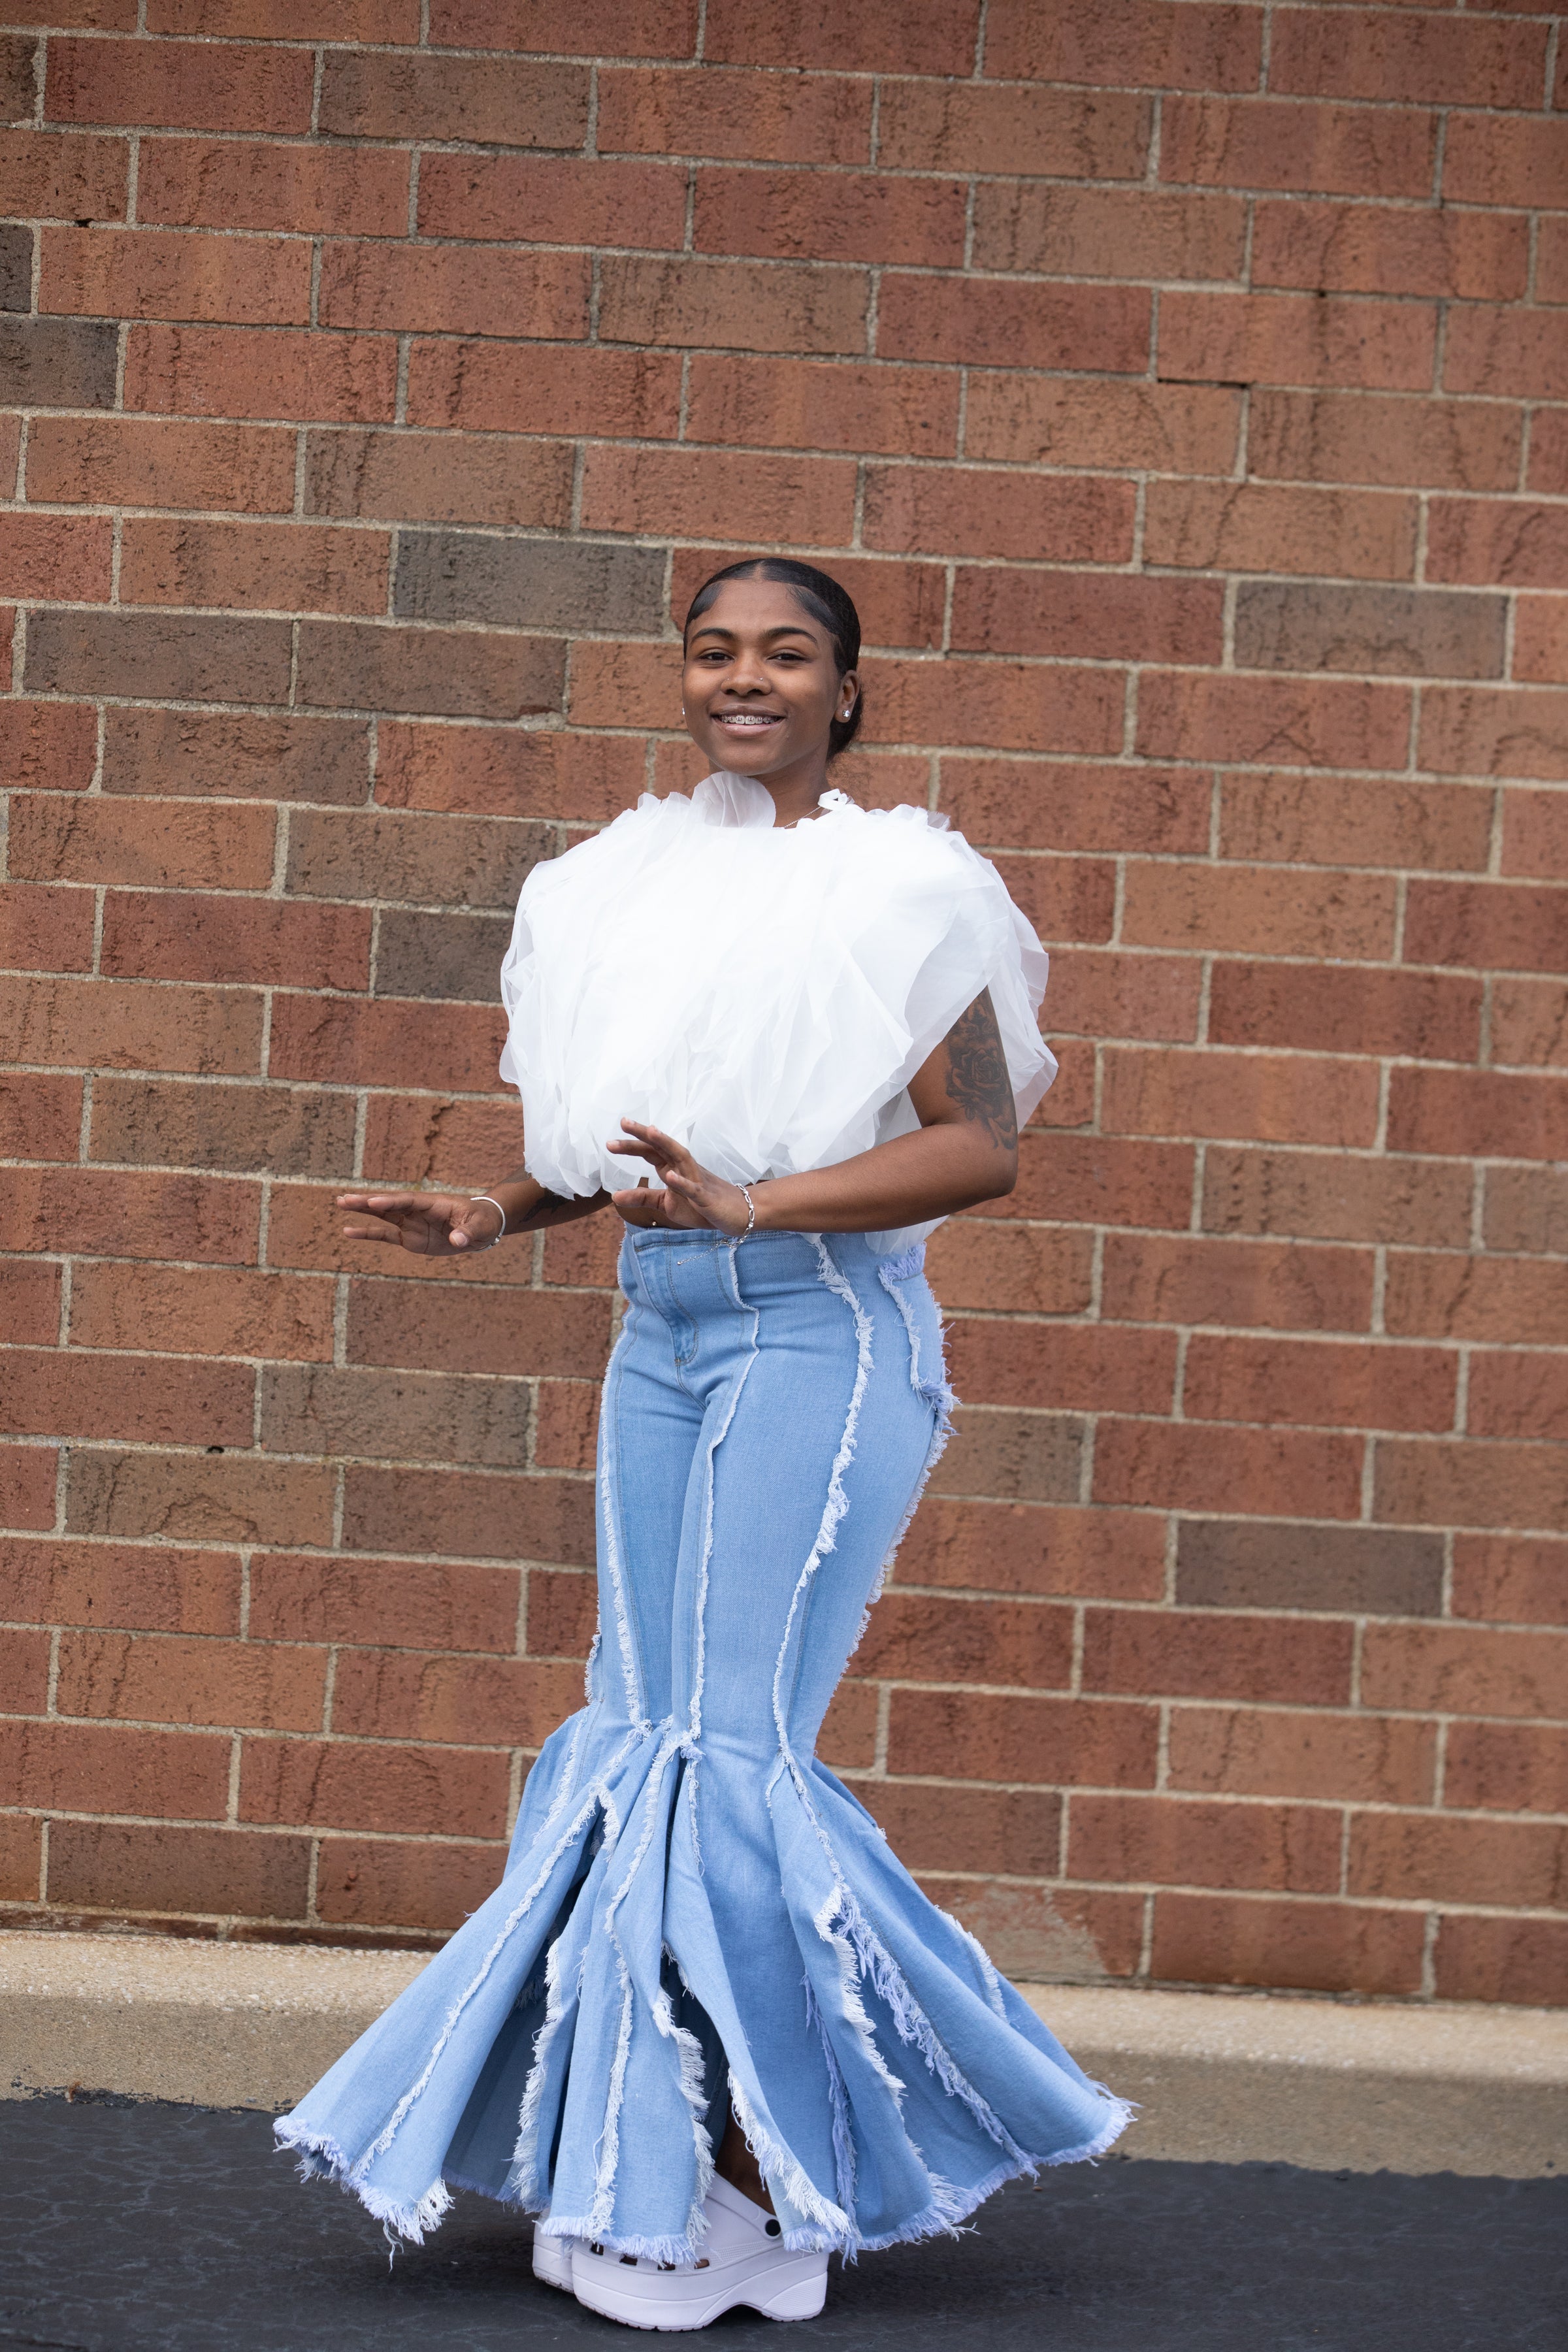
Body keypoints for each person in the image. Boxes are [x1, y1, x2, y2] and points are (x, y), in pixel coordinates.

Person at [276, 557, 1130, 2330]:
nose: (744, 679)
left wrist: (762, 1201)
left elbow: (980, 1147)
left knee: (728, 1756)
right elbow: (632, 1148)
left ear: (846, 689)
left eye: (786, 654)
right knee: (642, 1742)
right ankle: (642, 2168)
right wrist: (507, 1210)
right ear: (682, 679)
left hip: (817, 1337)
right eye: (714, 651)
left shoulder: (909, 886)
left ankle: (773, 2189)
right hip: (660, 1328)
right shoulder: (613, 880)